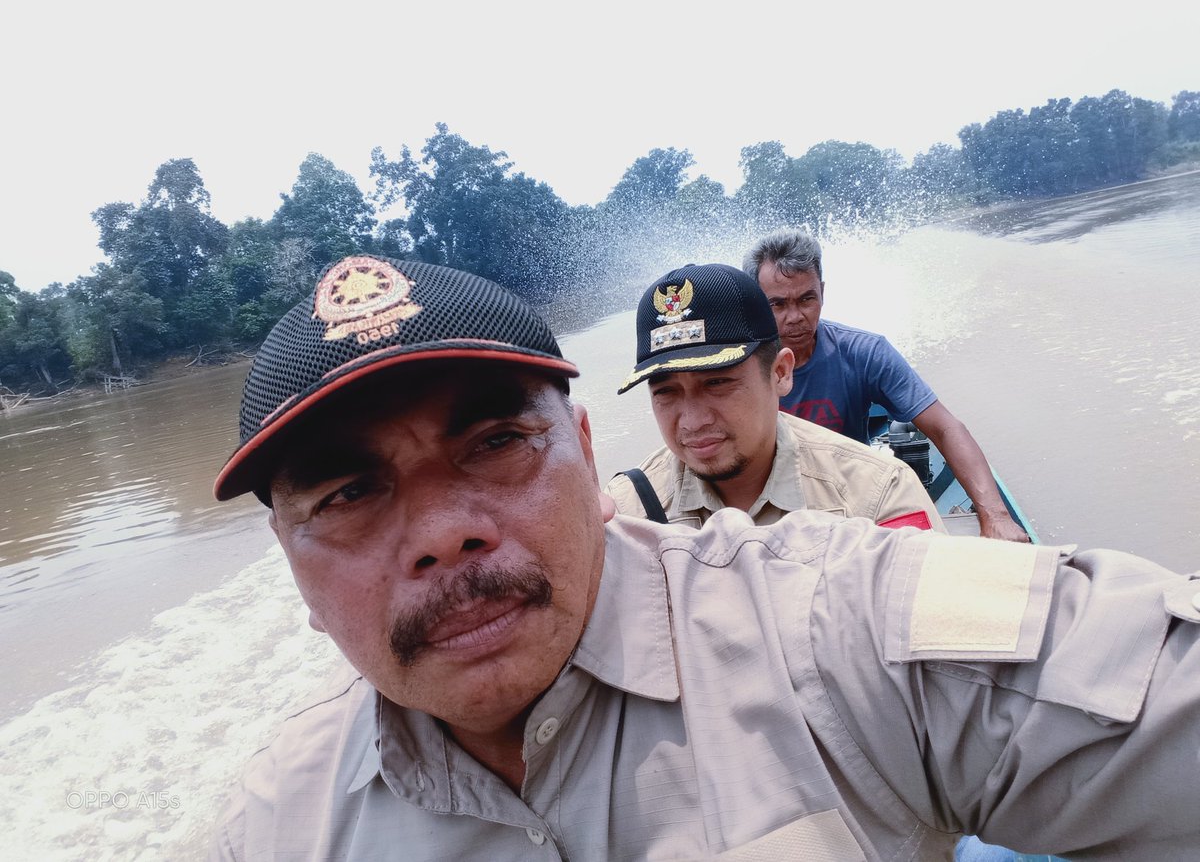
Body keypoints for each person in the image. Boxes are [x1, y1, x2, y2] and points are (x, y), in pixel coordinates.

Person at [211, 253, 1200, 860]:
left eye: (496, 442)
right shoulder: (275, 827)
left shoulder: (837, 607)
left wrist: (992, 512)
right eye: (346, 494)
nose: (439, 532)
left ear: (583, 455)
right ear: (288, 562)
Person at [606, 262, 944, 533]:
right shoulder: (626, 514)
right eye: (665, 392)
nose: (694, 421)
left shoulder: (877, 498)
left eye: (718, 383)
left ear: (781, 373)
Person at [742, 228, 1031, 543]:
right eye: (778, 305)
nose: (795, 316)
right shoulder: (736, 367)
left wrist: (995, 516)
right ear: (756, 303)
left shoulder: (865, 353)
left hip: (847, 505)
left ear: (823, 292)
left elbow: (945, 428)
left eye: (806, 299)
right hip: (765, 508)